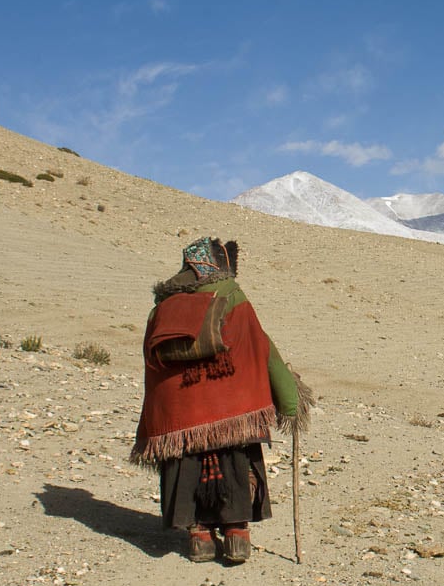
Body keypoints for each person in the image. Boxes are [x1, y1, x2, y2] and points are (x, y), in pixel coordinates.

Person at [132, 237, 311, 564]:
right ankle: (236, 534)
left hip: (178, 416)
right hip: (231, 409)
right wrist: (290, 399)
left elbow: (152, 367)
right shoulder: (232, 297)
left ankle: (199, 535)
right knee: (234, 460)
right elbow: (263, 349)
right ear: (221, 266)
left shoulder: (162, 307)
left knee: (186, 466)